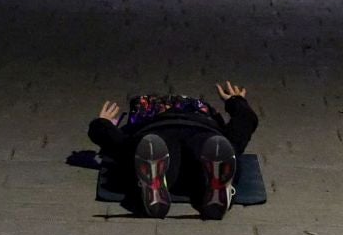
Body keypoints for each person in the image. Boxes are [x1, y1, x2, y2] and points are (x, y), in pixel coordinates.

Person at [88, 82, 256, 219]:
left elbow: (118, 145)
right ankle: (216, 186)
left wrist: (102, 124)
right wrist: (236, 102)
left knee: (142, 150)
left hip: (156, 133)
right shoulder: (207, 119)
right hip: (202, 134)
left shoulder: (143, 119)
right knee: (221, 148)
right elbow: (244, 123)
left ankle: (154, 184)